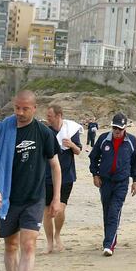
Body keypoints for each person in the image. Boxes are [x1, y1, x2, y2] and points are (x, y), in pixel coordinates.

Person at [0, 91, 63, 271]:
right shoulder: (2, 130)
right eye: (17, 108)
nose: (19, 113)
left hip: (34, 198)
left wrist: (56, 198)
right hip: (7, 197)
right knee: (10, 246)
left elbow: (55, 166)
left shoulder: (43, 133)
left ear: (34, 108)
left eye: (25, 109)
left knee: (28, 245)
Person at [88, 112, 136, 255]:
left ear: (125, 128)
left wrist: (135, 181)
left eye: (120, 129)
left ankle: (108, 245)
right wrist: (95, 174)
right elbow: (93, 157)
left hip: (122, 182)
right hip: (105, 181)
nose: (117, 132)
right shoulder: (103, 139)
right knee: (107, 211)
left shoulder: (132, 141)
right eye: (115, 128)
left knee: (114, 211)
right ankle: (111, 239)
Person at [44, 104, 82, 253]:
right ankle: (49, 242)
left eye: (50, 116)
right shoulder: (46, 131)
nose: (47, 118)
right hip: (47, 175)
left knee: (59, 210)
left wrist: (71, 144)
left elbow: (79, 151)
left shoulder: (71, 130)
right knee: (47, 211)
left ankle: (57, 235)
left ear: (59, 116)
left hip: (67, 175)